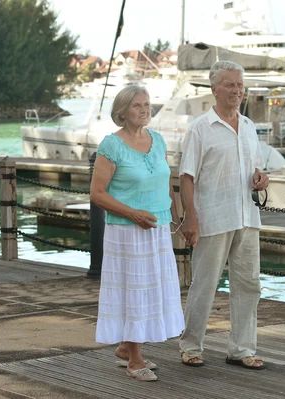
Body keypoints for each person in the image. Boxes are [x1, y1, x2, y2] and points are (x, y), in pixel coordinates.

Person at [178, 60, 269, 370]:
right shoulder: (199, 129)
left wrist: (261, 177)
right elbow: (186, 177)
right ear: (214, 89)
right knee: (205, 283)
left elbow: (256, 167)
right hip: (213, 217)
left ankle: (242, 349)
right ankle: (190, 346)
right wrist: (190, 218)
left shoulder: (249, 127)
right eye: (230, 84)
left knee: (249, 285)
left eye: (239, 84)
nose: (236, 89)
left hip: (247, 216)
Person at [91, 85, 185, 382]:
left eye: (147, 104)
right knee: (133, 291)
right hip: (126, 232)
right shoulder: (111, 145)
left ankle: (125, 347)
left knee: (152, 289)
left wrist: (175, 214)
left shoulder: (157, 140)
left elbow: (164, 179)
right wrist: (132, 214)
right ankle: (134, 358)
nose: (145, 110)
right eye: (137, 106)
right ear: (122, 113)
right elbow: (97, 193)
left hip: (156, 229)